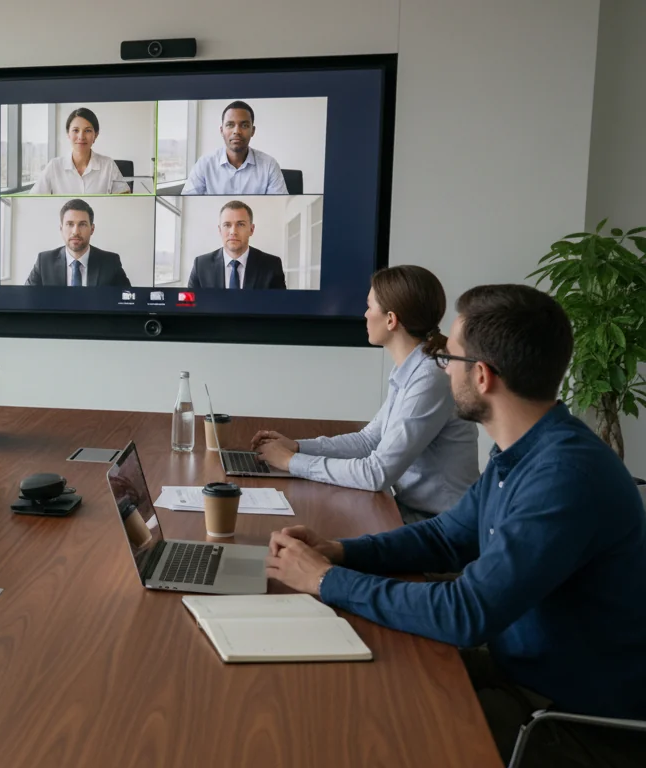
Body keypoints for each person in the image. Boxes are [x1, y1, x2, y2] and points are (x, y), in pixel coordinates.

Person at [265, 284, 646, 767]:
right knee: (342, 676)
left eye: (450, 357)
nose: (441, 366)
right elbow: (446, 537)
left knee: (360, 730)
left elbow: (466, 613)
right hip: (520, 668)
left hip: (567, 718)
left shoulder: (566, 478)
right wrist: (341, 551)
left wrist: (324, 579)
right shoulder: (526, 450)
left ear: (482, 376)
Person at [252, 266, 478, 522]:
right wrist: (298, 447)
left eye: (369, 307)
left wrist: (292, 462)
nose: (365, 314)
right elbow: (369, 441)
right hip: (414, 515)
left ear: (391, 319)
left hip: (442, 526)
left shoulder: (431, 377)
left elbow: (377, 473)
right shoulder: (414, 366)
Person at [180, 100, 288, 196]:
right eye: (230, 125)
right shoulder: (204, 164)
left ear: (253, 131)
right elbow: (189, 198)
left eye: (244, 125)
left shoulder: (269, 165)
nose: (237, 131)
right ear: (222, 131)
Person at [24, 198, 132, 287]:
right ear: (61, 229)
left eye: (82, 224)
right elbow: (26, 300)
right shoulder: (44, 262)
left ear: (92, 229)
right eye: (70, 224)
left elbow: (128, 301)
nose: (75, 231)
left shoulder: (110, 262)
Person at [27, 107, 130, 195]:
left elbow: (125, 201)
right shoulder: (54, 166)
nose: (81, 137)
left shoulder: (108, 165)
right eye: (76, 130)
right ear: (68, 134)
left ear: (96, 135)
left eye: (88, 131)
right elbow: (34, 200)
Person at [185, 200, 285, 290]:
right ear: (220, 230)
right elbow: (190, 307)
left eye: (240, 224)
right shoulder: (201, 265)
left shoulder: (272, 265)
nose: (233, 232)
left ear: (251, 229)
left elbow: (279, 307)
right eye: (227, 225)